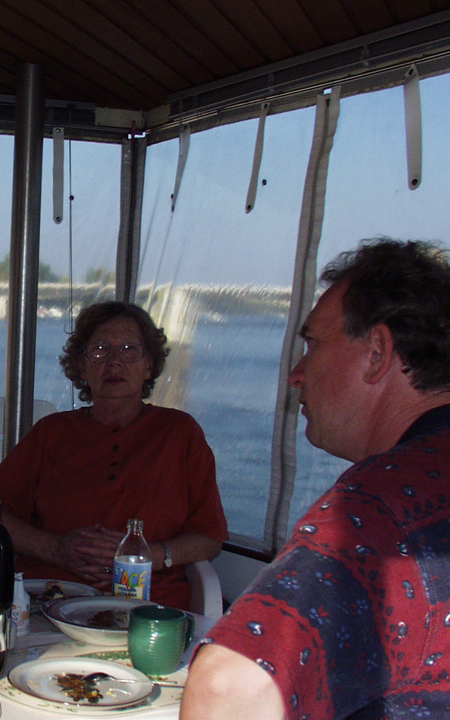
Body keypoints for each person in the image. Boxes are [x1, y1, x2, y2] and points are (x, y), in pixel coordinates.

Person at [181, 238, 450, 720]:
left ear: (377, 353)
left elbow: (228, 687)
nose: (296, 374)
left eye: (313, 345)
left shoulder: (382, 506)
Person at [0, 301, 228, 610]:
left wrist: (148, 556)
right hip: (52, 604)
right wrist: (55, 549)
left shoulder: (179, 433)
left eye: (129, 350)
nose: (114, 362)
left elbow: (210, 536)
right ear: (82, 367)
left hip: (148, 608)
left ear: (149, 365)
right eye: (99, 350)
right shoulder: (51, 433)